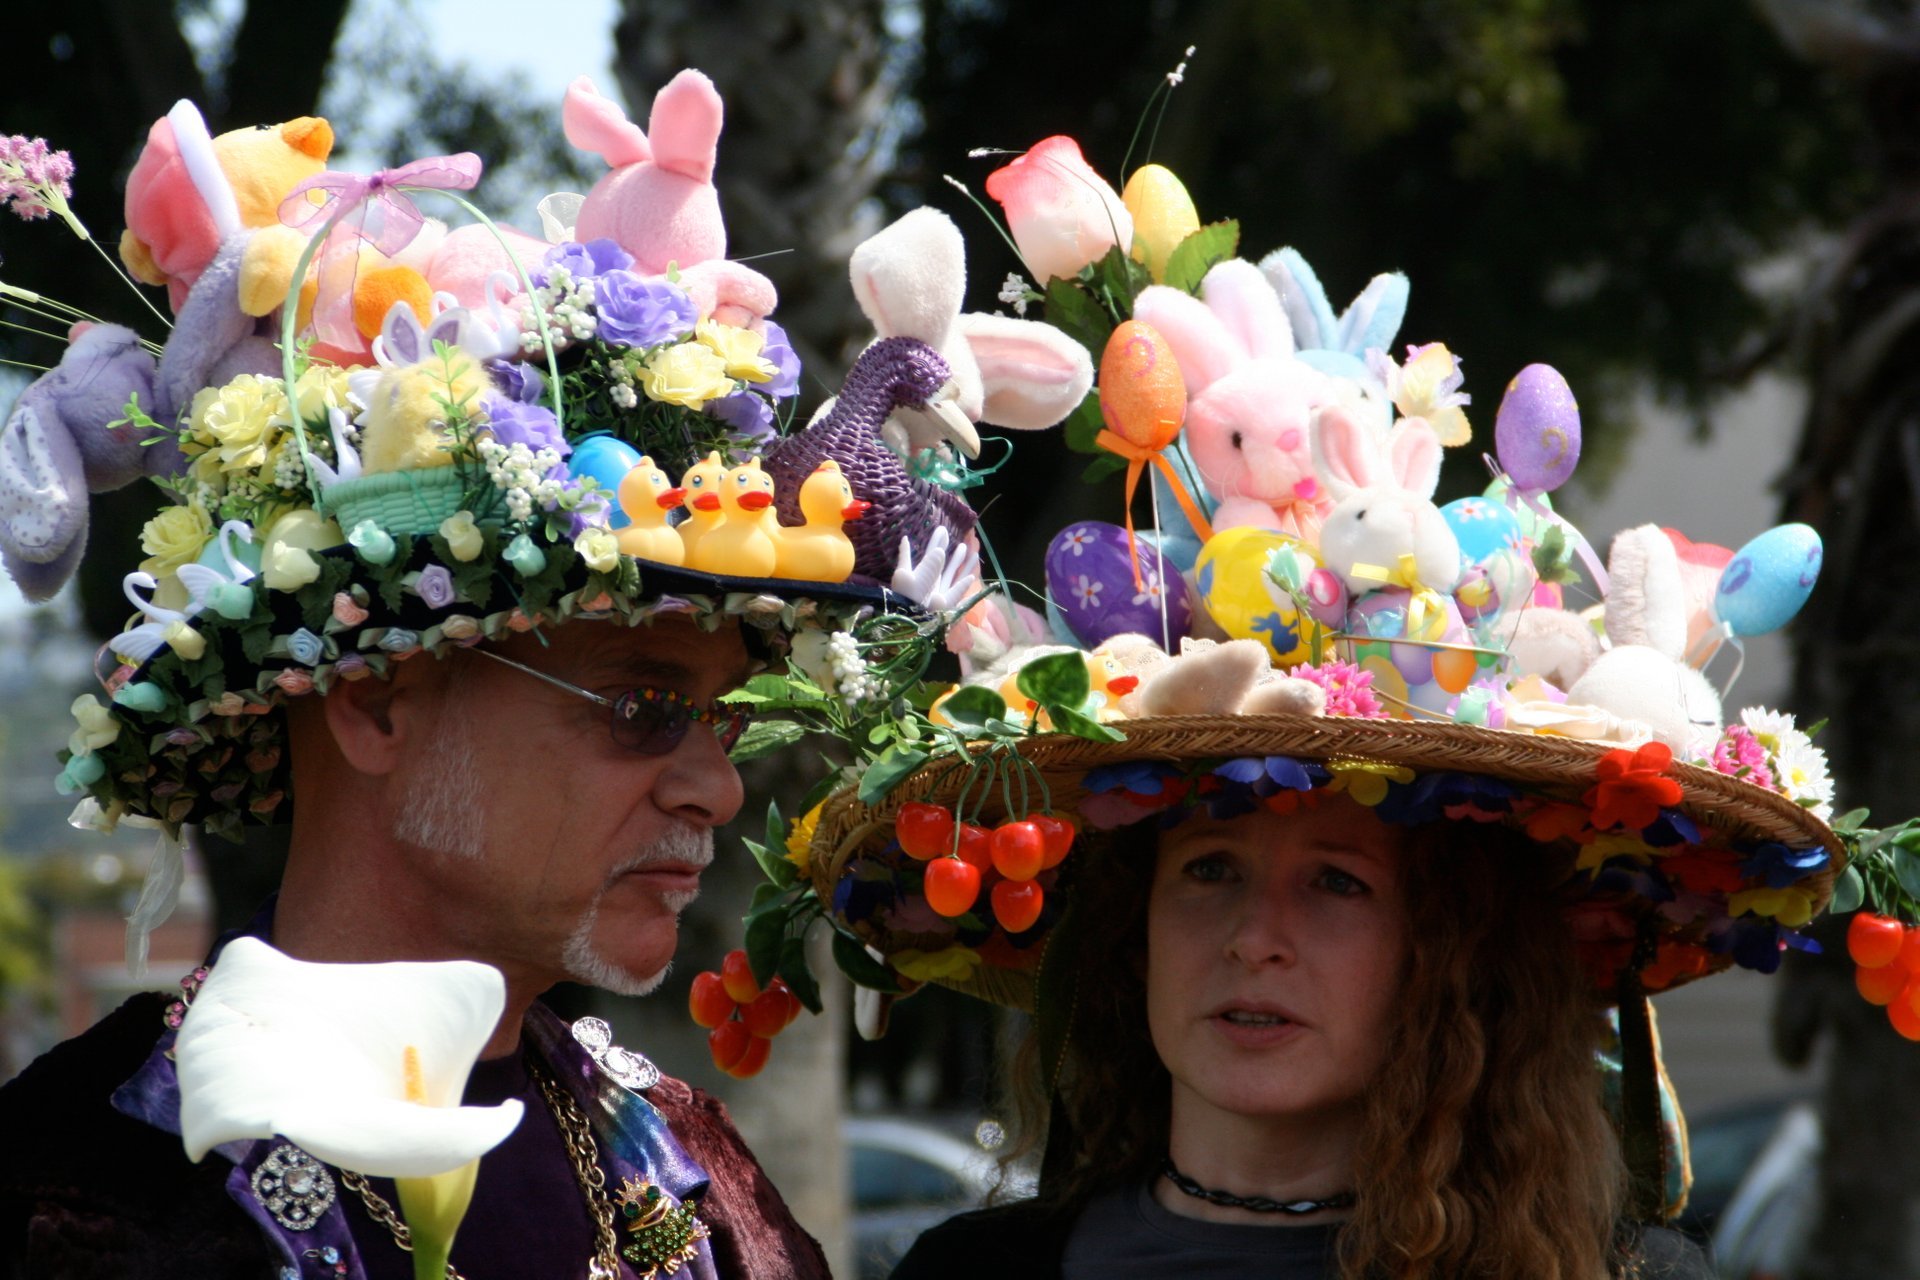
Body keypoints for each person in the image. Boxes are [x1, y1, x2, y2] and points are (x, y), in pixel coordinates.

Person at [0, 70, 982, 1280]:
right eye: (645, 706)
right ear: (374, 698)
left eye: (727, 723)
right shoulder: (76, 1190)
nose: (719, 793)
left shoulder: (694, 1168)